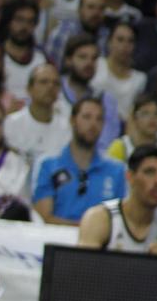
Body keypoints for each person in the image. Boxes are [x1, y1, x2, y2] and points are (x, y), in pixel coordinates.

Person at [76, 144, 157, 255]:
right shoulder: (101, 218)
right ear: (130, 177)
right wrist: (148, 266)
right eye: (150, 172)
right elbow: (82, 273)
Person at [31, 95, 124, 225]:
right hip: (56, 241)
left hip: (102, 243)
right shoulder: (48, 165)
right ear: (72, 120)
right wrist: (87, 231)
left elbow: (119, 221)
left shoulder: (117, 171)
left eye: (99, 119)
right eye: (87, 117)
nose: (93, 124)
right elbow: (44, 219)